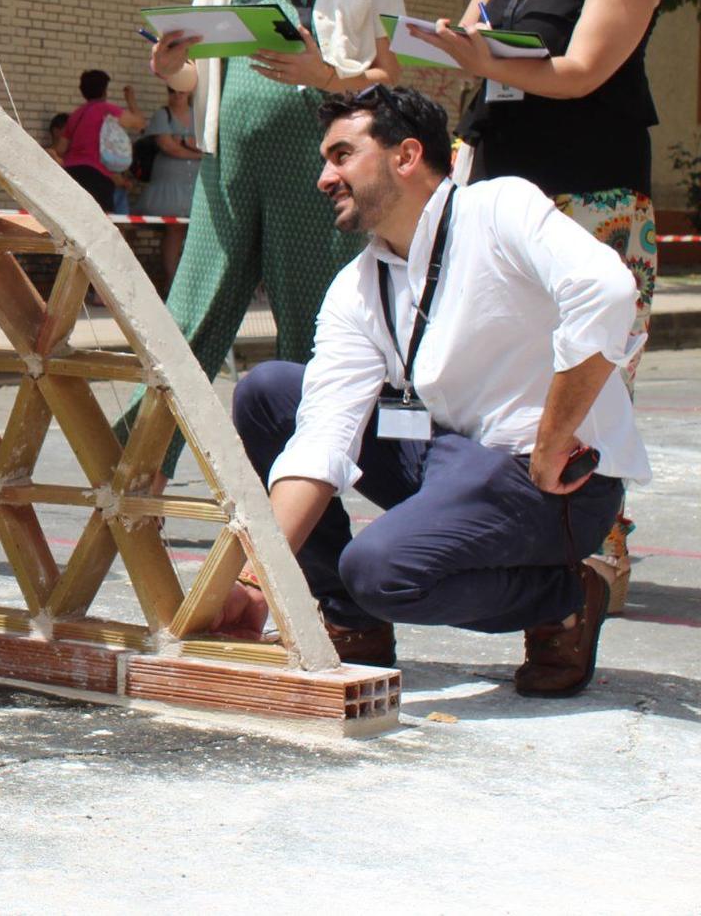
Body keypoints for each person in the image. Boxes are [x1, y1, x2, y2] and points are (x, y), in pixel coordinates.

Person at [223, 87, 644, 696]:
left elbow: (606, 292)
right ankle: (352, 620)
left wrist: (554, 439)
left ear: (406, 155)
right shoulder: (357, 285)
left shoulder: (499, 208)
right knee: (269, 393)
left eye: (342, 155)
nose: (324, 177)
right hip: (445, 458)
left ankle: (565, 598)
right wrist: (258, 581)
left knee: (380, 569)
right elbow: (321, 437)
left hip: (548, 482)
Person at [425, 0, 663, 609]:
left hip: (590, 200)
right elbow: (461, 44)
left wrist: (483, 55)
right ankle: (529, 550)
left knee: (591, 384)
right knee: (508, 381)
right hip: (501, 192)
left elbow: (581, 72)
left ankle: (597, 558)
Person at [145, 0, 405, 389]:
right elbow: (194, 68)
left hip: (323, 171)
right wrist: (170, 68)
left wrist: (327, 76)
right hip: (229, 164)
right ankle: (134, 469)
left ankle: (306, 472)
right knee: (189, 316)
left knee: (314, 325)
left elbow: (388, 75)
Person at [137, 82, 202, 287]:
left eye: (181, 90)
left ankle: (192, 282)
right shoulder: (162, 115)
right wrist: (195, 151)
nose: (177, 95)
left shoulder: (198, 115)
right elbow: (169, 147)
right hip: (169, 186)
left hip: (195, 184)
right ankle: (173, 281)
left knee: (193, 232)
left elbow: (208, 144)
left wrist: (184, 145)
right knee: (174, 229)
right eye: (172, 91)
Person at [57, 70, 146, 211]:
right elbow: (140, 124)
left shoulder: (75, 114)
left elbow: (61, 148)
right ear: (105, 90)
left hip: (71, 172)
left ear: (82, 91)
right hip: (97, 174)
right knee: (100, 222)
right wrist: (131, 100)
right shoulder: (106, 109)